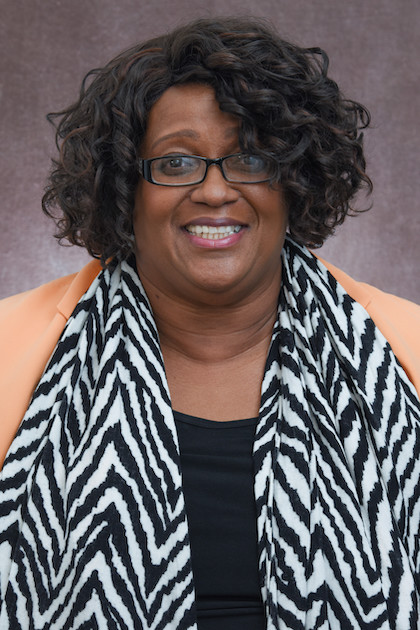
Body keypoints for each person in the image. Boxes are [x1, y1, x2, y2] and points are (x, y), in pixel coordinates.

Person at [0, 16, 419, 630]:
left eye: (249, 157)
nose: (216, 192)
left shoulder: (406, 351)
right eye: (176, 163)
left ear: (294, 180)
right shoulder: (10, 352)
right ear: (125, 186)